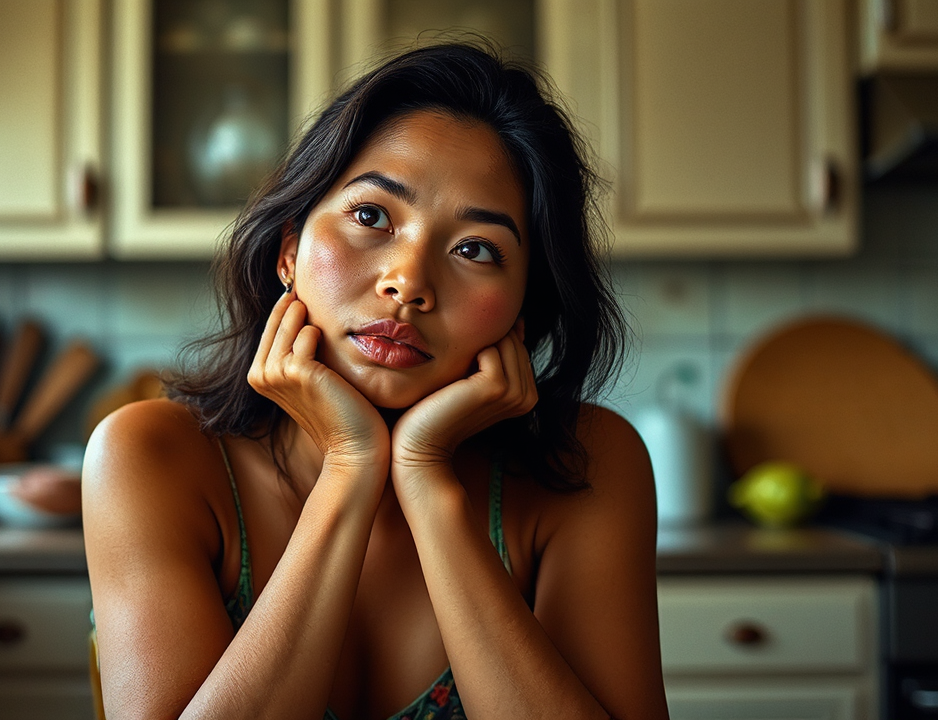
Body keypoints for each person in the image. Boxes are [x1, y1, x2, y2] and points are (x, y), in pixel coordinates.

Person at [84, 42, 669, 720]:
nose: (409, 283)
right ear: (288, 249)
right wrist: (350, 466)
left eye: (475, 249)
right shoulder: (150, 456)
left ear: (523, 307)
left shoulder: (588, 466)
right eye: (371, 217)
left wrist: (424, 475)